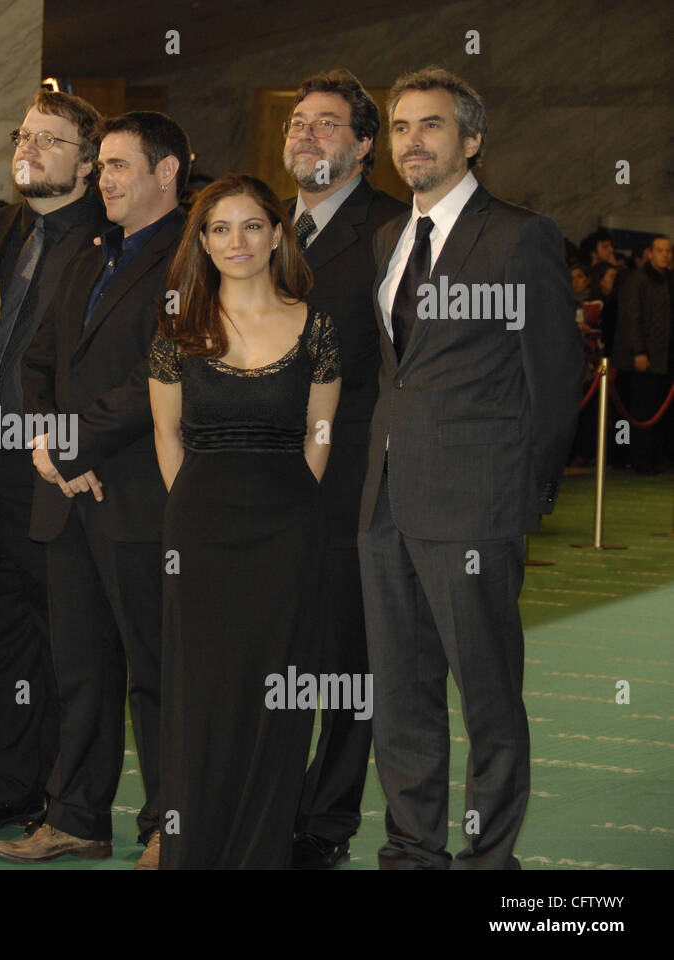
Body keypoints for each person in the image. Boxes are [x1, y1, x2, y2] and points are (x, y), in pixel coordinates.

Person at [359, 67, 582, 869]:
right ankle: (412, 849)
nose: (411, 141)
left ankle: (489, 861)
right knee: (401, 694)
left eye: (431, 125)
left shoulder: (521, 235)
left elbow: (554, 380)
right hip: (385, 502)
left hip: (476, 506)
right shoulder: (389, 238)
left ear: (472, 139)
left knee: (486, 696)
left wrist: (521, 498)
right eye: (399, 128)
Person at [0, 111, 190, 869]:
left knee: (157, 672)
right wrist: (48, 443)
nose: (103, 179)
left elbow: (166, 372)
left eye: (119, 165)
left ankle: (168, 825)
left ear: (166, 172)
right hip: (66, 492)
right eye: (100, 165)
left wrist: (73, 443)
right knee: (80, 671)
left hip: (140, 493)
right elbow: (38, 361)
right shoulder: (90, 252)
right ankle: (76, 815)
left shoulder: (190, 257)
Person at [148, 173, 339, 868]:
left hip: (290, 530)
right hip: (198, 532)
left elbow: (320, 431)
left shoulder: (316, 325)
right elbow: (169, 438)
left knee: (278, 695)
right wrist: (192, 514)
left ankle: (261, 852)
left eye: (253, 226)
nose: (238, 241)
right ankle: (193, 849)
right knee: (201, 694)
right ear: (201, 242)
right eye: (221, 229)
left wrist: (293, 504)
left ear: (277, 234)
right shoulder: (177, 329)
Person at [0, 88, 108, 833]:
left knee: (68, 645)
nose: (31, 147)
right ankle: (12, 782)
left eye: (52, 140)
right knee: (3, 636)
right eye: (26, 134)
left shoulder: (106, 240)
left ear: (89, 164)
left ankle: (70, 797)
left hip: (57, 467)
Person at [280, 68, 408, 869]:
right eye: (297, 121)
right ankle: (264, 802)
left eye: (327, 124)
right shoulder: (256, 225)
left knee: (340, 661)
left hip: (350, 479)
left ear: (364, 146)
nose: (306, 133)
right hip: (254, 474)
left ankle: (323, 824)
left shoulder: (394, 229)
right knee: (271, 653)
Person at [612, 235, 672, 474]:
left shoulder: (668, 280)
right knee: (637, 410)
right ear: (650, 253)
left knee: (657, 410)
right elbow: (631, 318)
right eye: (660, 250)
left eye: (668, 251)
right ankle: (633, 458)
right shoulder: (636, 279)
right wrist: (639, 351)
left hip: (663, 357)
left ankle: (655, 457)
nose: (665, 255)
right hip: (640, 358)